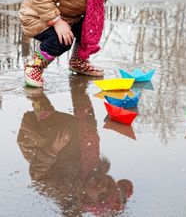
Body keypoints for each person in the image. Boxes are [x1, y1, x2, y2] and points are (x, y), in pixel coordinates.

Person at [17, 75, 133, 215]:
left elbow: (38, 176)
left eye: (101, 195)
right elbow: (88, 130)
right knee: (86, 132)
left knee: (58, 134)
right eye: (108, 186)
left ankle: (36, 96)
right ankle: (65, 91)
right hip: (64, 136)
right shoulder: (94, 166)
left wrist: (52, 149)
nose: (102, 187)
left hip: (35, 142)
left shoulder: (65, 192)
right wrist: (79, 89)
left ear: (89, 201)